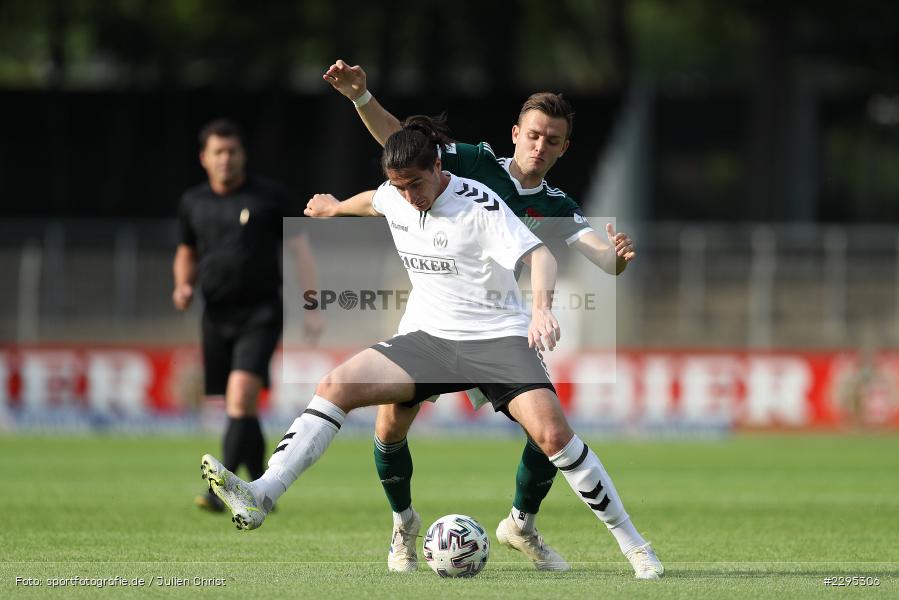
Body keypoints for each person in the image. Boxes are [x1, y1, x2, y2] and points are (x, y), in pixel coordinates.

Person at [201, 126, 663, 582]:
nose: (408, 196)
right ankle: (267, 493)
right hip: (429, 340)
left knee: (553, 436)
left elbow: (541, 256)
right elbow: (374, 199)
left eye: (416, 185)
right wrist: (336, 208)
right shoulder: (395, 193)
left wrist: (541, 311)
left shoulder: (478, 204)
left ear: (438, 168)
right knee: (338, 389)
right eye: (399, 187)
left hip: (495, 339)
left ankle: (635, 547)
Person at [320, 60, 659, 579]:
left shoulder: (555, 203)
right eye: (534, 134)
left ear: (564, 148)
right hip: (433, 319)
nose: (540, 146)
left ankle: (521, 523)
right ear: (516, 134)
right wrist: (362, 99)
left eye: (553, 140)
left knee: (548, 432)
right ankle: (401, 524)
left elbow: (602, 258)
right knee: (391, 426)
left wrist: (616, 256)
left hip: (499, 327)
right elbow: (403, 145)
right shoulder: (476, 164)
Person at [174, 118, 323, 512]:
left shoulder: (268, 198)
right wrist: (183, 285)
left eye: (232, 151)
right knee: (241, 406)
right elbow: (187, 251)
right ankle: (262, 485)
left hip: (261, 312)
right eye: (218, 152)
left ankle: (219, 492)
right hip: (215, 314)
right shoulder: (193, 202)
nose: (226, 159)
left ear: (243, 155)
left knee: (240, 398)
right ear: (204, 158)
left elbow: (300, 250)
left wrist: (312, 305)